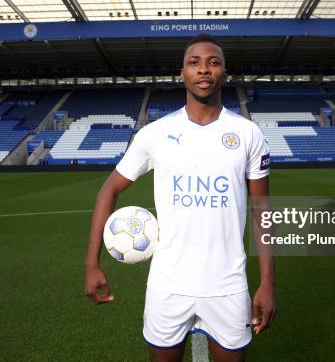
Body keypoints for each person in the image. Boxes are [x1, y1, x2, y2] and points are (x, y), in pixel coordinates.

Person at [84, 34, 276, 362]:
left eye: (213, 63)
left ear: (224, 73)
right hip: (167, 285)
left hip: (228, 286)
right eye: (194, 63)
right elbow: (109, 189)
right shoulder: (155, 133)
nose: (204, 69)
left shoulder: (247, 133)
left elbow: (262, 210)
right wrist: (91, 263)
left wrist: (268, 282)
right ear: (182, 74)